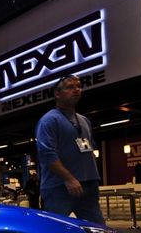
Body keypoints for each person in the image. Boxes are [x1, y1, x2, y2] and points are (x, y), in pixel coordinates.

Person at [36, 75, 104, 223]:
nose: (76, 90)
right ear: (57, 94)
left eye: (78, 86)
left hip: (88, 185)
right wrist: (69, 178)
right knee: (55, 231)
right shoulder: (49, 120)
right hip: (59, 187)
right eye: (70, 87)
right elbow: (47, 154)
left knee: (97, 230)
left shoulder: (84, 120)